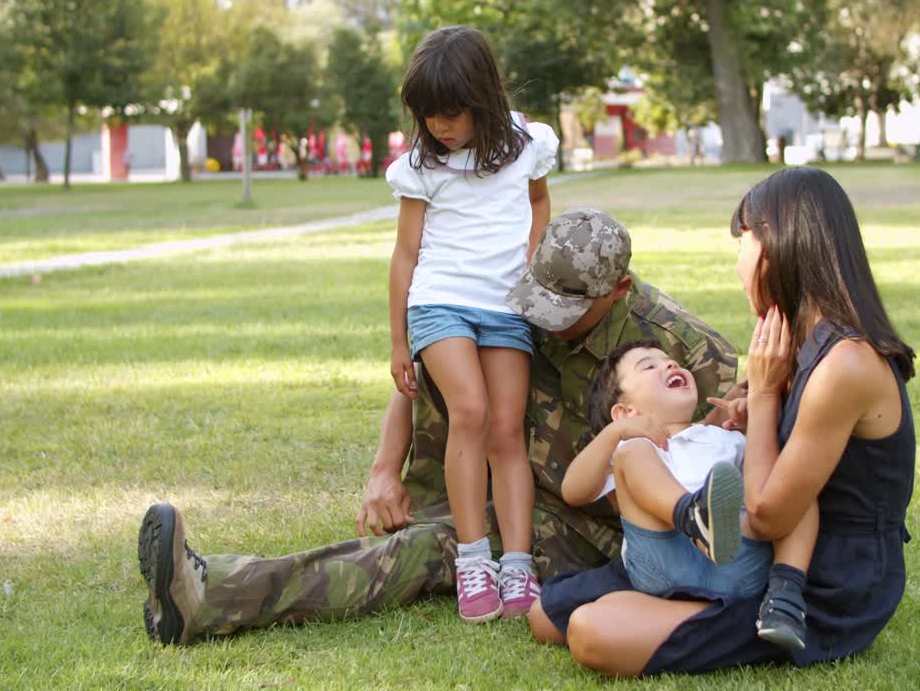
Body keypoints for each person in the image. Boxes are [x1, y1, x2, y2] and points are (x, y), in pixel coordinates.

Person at [136, 208, 741, 645]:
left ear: (620, 291)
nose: (545, 321)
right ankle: (209, 591)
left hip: (602, 531)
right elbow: (428, 374)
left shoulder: (684, 351)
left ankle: (212, 596)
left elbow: (747, 446)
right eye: (540, 300)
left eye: (568, 312)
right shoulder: (530, 299)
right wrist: (382, 470)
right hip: (502, 483)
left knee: (426, 553)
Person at [529, 166, 917, 677]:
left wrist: (763, 398)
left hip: (821, 580)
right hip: (741, 549)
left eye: (744, 243)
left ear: (775, 248)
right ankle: (688, 597)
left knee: (592, 633)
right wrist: (741, 408)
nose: (739, 264)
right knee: (544, 616)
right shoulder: (798, 340)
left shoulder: (845, 363)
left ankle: (721, 610)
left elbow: (769, 514)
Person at [385, 25, 559, 622]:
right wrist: (397, 339)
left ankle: (517, 566)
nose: (440, 126)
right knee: (472, 414)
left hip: (505, 305)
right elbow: (405, 254)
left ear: (483, 98)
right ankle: (473, 560)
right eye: (429, 115)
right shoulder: (420, 166)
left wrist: (533, 268)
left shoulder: (527, 144)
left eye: (452, 113)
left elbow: (538, 203)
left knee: (508, 431)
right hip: (440, 302)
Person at [561, 339, 817, 652]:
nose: (669, 365)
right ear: (625, 411)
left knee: (791, 482)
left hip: (736, 562)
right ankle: (692, 517)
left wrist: (751, 426)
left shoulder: (724, 438)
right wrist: (615, 434)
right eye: (649, 366)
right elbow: (573, 491)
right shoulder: (627, 447)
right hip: (663, 562)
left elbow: (764, 494)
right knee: (634, 452)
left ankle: (785, 595)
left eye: (671, 361)